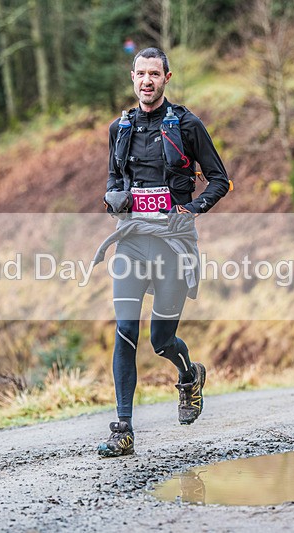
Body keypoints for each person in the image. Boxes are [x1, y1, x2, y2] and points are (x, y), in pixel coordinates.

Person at [93, 47, 231, 457]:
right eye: (140, 74)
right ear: (132, 77)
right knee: (125, 331)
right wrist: (113, 199)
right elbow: (113, 180)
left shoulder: (188, 125)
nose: (146, 81)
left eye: (154, 74)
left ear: (166, 78)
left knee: (161, 339)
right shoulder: (120, 129)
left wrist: (192, 209)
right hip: (132, 243)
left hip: (173, 247)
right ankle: (123, 430)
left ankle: (189, 375)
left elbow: (219, 180)